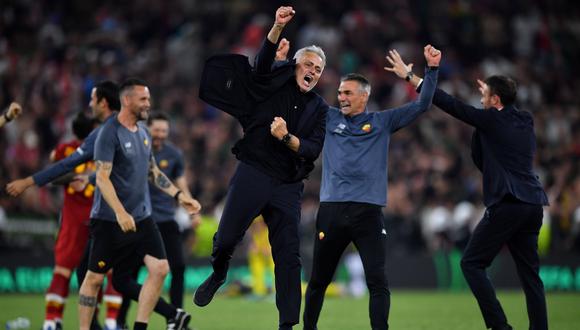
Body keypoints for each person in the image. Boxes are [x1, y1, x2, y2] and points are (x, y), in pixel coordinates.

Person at [388, 50, 549, 330]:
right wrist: (490, 101)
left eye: (486, 95)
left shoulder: (490, 120)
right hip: (533, 204)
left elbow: (450, 104)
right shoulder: (525, 120)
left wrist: (412, 76)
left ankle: (499, 326)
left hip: (508, 203)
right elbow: (484, 152)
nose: (481, 99)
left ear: (495, 100)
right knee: (530, 275)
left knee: (471, 264)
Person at [195, 6, 328, 330]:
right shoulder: (273, 81)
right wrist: (277, 28)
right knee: (226, 238)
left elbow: (312, 149)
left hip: (287, 184)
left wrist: (288, 139)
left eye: (319, 69)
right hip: (253, 170)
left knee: (288, 256)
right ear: (295, 65)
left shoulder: (320, 108)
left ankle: (287, 325)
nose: (313, 71)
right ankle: (220, 271)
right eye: (308, 64)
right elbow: (262, 66)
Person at [301, 46, 440, 330]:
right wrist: (286, 63)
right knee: (318, 281)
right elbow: (299, 92)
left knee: (377, 281)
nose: (341, 98)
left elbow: (424, 104)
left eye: (348, 93)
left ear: (364, 96)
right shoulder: (328, 117)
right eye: (339, 93)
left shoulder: (382, 122)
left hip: (368, 213)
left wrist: (428, 71)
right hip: (332, 210)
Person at [78, 78, 200, 330]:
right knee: (93, 279)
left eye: (148, 98)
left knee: (160, 268)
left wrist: (180, 196)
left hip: (142, 218)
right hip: (110, 220)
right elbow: (101, 177)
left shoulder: (143, 133)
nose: (148, 103)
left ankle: (140, 327)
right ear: (127, 100)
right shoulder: (108, 133)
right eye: (143, 99)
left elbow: (153, 172)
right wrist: (120, 212)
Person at [6, 81, 123, 330]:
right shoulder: (112, 138)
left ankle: (52, 321)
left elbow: (57, 166)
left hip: (73, 220)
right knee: (107, 272)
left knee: (63, 271)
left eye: (93, 99)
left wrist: (31, 181)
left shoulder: (63, 150)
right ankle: (110, 321)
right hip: (102, 216)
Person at [114, 112, 199, 327]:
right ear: (148, 129)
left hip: (165, 220)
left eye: (164, 131)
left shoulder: (174, 154)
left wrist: (190, 207)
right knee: (129, 274)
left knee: (178, 267)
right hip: (140, 220)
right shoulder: (137, 150)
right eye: (157, 130)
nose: (160, 135)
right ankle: (121, 319)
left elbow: (180, 182)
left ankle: (176, 318)